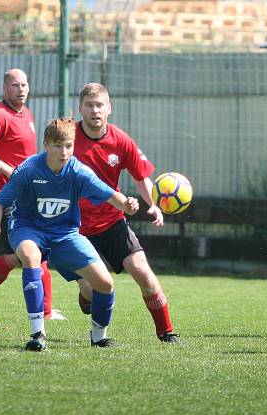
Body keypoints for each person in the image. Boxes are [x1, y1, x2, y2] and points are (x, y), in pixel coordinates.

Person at [0, 117, 139, 351]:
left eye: (68, 145)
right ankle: (38, 334)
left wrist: (127, 205)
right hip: (28, 228)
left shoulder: (78, 171)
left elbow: (109, 194)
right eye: (58, 146)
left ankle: (99, 337)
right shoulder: (28, 169)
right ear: (46, 145)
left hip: (65, 234)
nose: (64, 152)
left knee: (105, 283)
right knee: (29, 255)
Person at [73, 83, 179, 342]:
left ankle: (166, 331)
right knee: (93, 286)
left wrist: (153, 204)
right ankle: (86, 297)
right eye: (89, 105)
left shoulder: (120, 140)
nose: (94, 110)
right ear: (80, 109)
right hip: (76, 229)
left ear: (109, 108)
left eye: (100, 105)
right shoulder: (69, 139)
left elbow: (141, 177)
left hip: (112, 222)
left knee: (142, 270)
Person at [0, 68, 62, 321]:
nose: (21, 89)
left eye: (24, 84)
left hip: (24, 194)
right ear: (5, 88)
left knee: (33, 250)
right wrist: (4, 175)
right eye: (15, 85)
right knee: (22, 254)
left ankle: (44, 310)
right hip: (1, 195)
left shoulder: (26, 114)